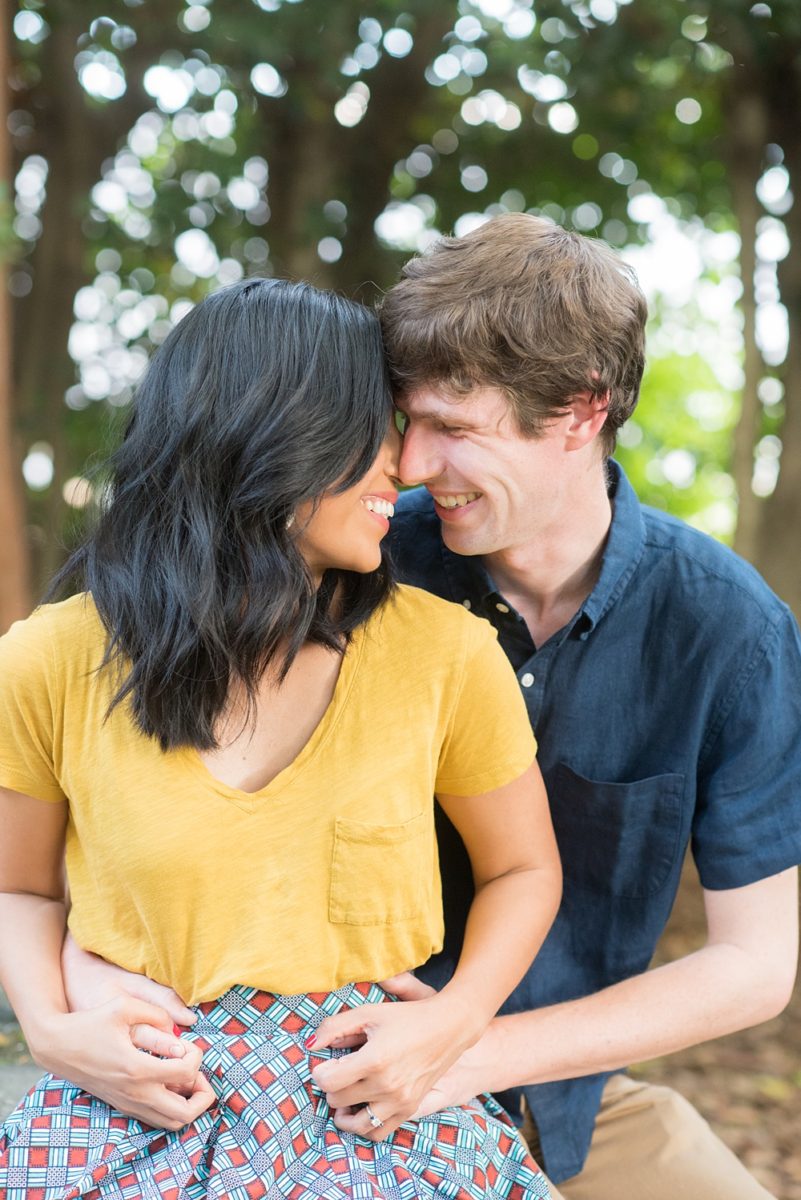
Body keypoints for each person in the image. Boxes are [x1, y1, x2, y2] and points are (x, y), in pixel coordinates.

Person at [0, 278, 562, 1199]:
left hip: (379, 1123)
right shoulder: (49, 663)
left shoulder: (445, 656)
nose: (405, 467)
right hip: (130, 1120)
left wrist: (456, 1019)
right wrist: (53, 1030)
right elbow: (18, 887)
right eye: (371, 429)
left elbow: (523, 870)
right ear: (270, 435)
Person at [372, 213, 801, 1200]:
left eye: (455, 427)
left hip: (557, 1100)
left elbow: (753, 963)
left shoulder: (731, 631)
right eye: (410, 420)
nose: (410, 463)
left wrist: (471, 1056)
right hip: (332, 1080)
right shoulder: (365, 567)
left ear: (578, 413)